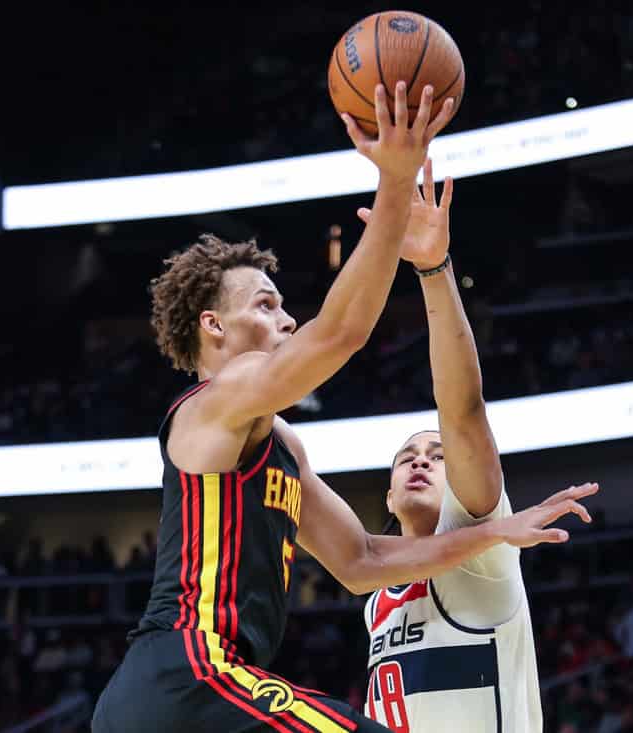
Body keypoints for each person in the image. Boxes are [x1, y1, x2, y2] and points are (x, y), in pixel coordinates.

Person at [91, 82, 595, 733]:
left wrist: (494, 530)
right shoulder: (213, 404)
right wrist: (394, 179)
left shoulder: (275, 442)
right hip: (190, 676)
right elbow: (339, 333)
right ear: (213, 326)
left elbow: (360, 561)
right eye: (266, 304)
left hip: (175, 699)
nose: (285, 315)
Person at [360, 166, 599, 732]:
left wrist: (432, 269)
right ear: (389, 498)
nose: (421, 459)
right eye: (408, 455)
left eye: (438, 456)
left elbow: (462, 410)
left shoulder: (482, 550)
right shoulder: (374, 595)